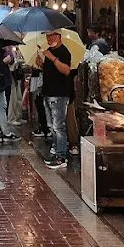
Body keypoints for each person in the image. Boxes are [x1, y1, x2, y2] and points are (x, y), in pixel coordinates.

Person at [35, 30, 74, 169]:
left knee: (59, 126)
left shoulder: (64, 52)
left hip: (59, 94)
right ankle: (56, 149)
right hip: (48, 92)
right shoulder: (49, 51)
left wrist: (52, 58)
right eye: (47, 36)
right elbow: (48, 70)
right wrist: (41, 63)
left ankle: (61, 157)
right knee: (52, 126)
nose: (49, 38)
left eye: (51, 35)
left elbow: (66, 70)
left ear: (58, 35)